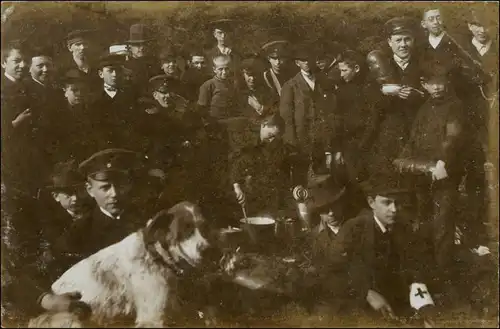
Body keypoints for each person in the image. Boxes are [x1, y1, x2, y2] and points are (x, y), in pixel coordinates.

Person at [315, 172, 437, 325]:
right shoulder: (355, 229)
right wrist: (366, 292)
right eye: (387, 203)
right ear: (371, 202)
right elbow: (332, 272)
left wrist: (424, 304)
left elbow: (416, 265)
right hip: (360, 305)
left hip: (397, 302)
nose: (394, 209)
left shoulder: (404, 227)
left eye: (397, 203)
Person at [394, 62, 467, 291]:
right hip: (424, 175)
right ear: (424, 85)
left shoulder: (455, 106)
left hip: (444, 173)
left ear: (446, 83)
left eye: (440, 82)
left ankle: (445, 278)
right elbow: (414, 140)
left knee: (443, 224)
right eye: (430, 83)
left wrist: (442, 163)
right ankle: (427, 275)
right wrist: (404, 159)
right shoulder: (424, 108)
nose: (436, 87)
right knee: (424, 221)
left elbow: (453, 138)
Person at [366, 16, 426, 177]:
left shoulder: (423, 65)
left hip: (418, 131)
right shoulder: (377, 68)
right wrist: (384, 91)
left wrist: (417, 94)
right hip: (388, 133)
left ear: (413, 41)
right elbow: (367, 100)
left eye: (407, 39)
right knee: (390, 177)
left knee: (417, 179)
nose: (403, 45)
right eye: (398, 40)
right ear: (389, 41)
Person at [331, 49, 382, 218]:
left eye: (345, 70)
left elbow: (374, 121)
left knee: (364, 186)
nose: (341, 74)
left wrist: (362, 146)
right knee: (349, 186)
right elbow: (337, 122)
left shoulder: (371, 89)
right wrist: (338, 148)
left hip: (366, 146)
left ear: (357, 69)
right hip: (348, 147)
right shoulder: (341, 91)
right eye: (340, 70)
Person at [230, 113, 309, 221]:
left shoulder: (281, 148)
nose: (272, 141)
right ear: (263, 125)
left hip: (274, 198)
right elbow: (237, 167)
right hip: (252, 196)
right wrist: (237, 188)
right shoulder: (248, 144)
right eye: (270, 135)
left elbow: (298, 162)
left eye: (276, 137)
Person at [279, 44, 337, 176]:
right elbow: (286, 118)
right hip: (301, 138)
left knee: (323, 175)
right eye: (303, 60)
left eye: (309, 59)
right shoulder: (290, 86)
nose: (306, 62)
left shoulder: (323, 81)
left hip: (321, 138)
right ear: (297, 63)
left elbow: (330, 110)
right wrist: (292, 143)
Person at [88, 53, 141, 151]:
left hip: (129, 149)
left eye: (118, 70)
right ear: (101, 74)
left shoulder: (133, 96)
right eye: (110, 71)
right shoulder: (92, 100)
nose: (115, 74)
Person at [197, 54, 240, 123]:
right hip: (215, 123)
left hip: (231, 121)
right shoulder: (208, 85)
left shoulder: (233, 84)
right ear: (214, 69)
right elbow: (201, 109)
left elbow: (237, 104)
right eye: (220, 69)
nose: (224, 72)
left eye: (227, 68)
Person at [60, 29, 101, 97]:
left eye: (85, 44)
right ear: (70, 48)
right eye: (78, 44)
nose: (82, 47)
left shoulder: (96, 66)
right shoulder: (64, 69)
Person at [125, 23, 159, 95]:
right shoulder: (125, 67)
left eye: (144, 44)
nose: (142, 48)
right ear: (130, 47)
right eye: (137, 45)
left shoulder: (154, 65)